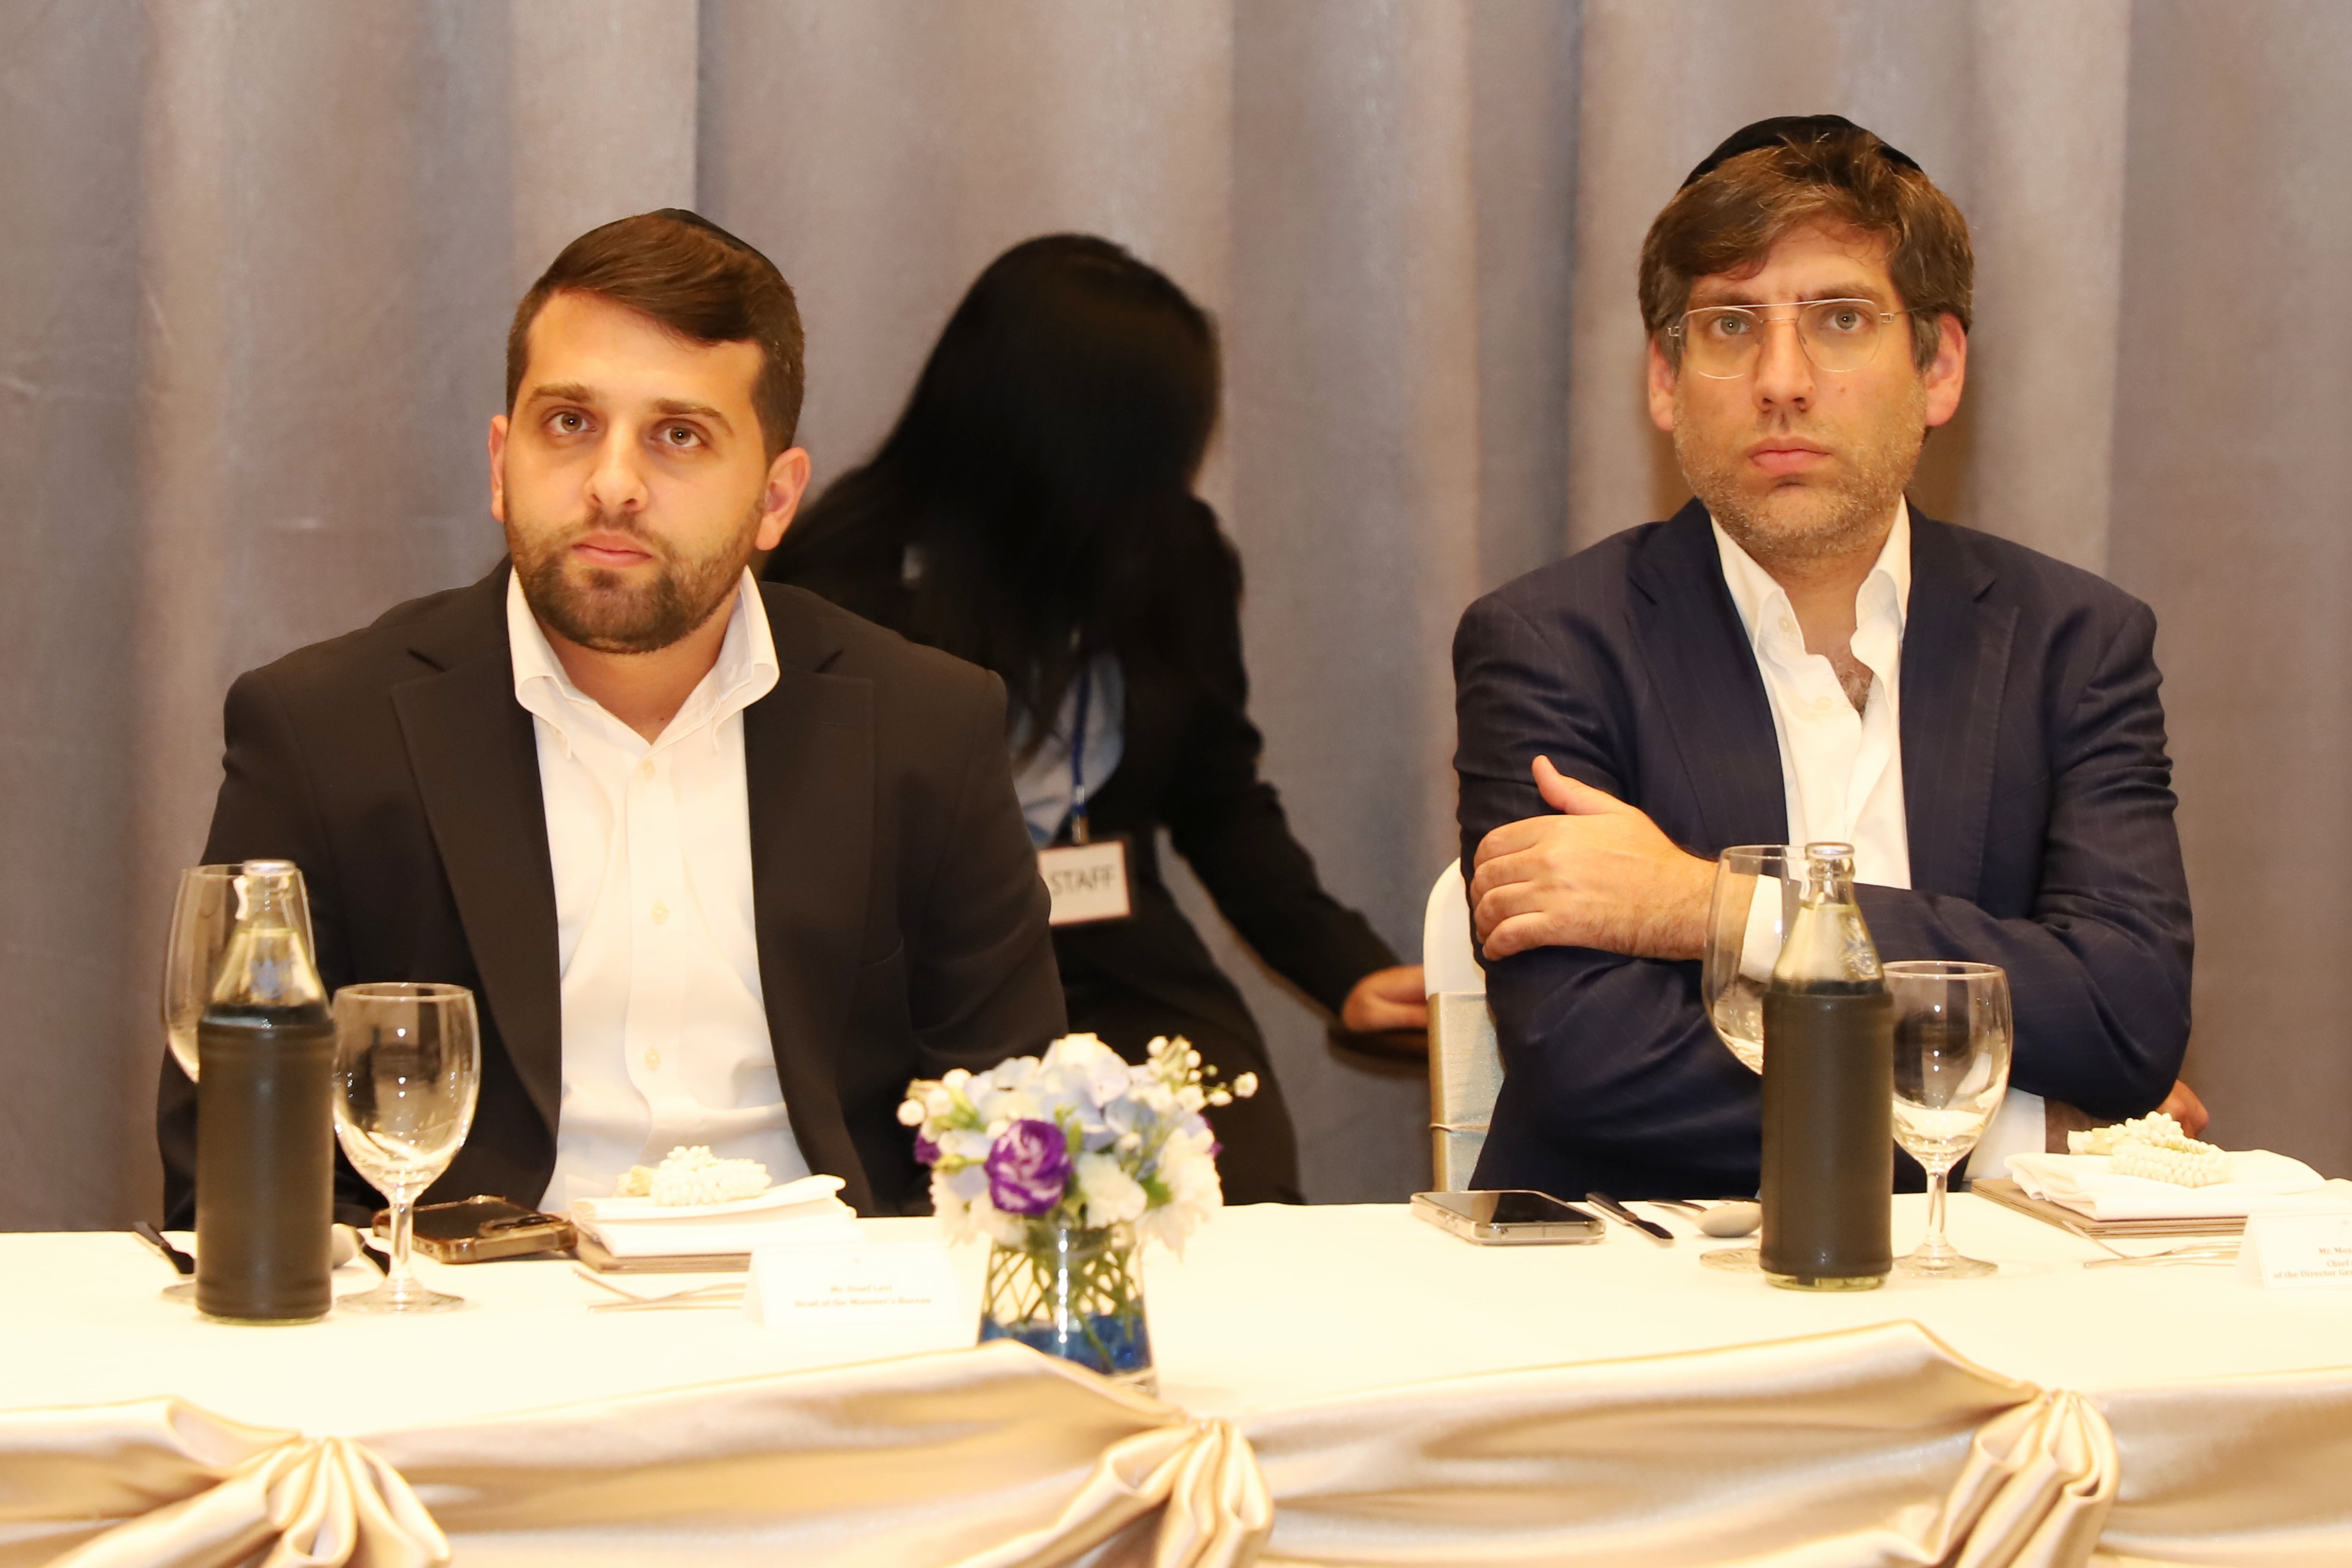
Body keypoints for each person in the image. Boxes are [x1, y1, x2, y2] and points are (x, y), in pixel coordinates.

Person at [159, 211, 1064, 1225]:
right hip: (477, 1302)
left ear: (775, 499)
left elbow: (1011, 1136)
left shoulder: (927, 727)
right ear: (500, 463)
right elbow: (232, 1172)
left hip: (822, 1294)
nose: (613, 485)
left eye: (679, 436)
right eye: (568, 423)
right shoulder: (323, 732)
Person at [1454, 117, 2198, 1200]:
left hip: (2001, 1276)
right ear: (1664, 378)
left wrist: (1720, 911)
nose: (1781, 380)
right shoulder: (1550, 642)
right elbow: (1594, 1065)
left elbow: (2125, 1011)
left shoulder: (2074, 640)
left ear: (1937, 368)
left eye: (1840, 320)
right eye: (1728, 325)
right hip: (1638, 1267)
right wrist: (2008, 1125)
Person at [765, 234, 1425, 1205]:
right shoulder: (842, 585)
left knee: (1228, 1173)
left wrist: (1346, 971)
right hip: (916, 984)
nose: (1168, 481)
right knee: (964, 1200)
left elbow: (1220, 801)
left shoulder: (1172, 557)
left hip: (1120, 965)